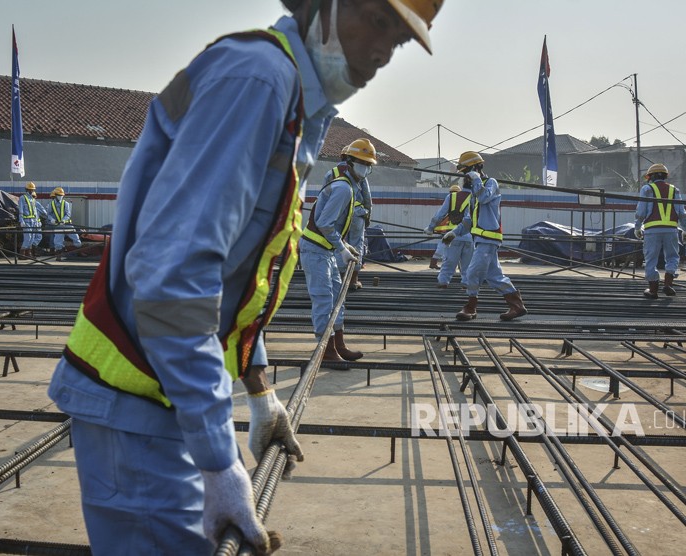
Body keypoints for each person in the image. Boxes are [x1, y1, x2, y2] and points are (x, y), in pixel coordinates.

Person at [46, 1, 443, 554]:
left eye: (398, 41)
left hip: (164, 395)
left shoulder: (296, 106)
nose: (382, 52)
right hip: (136, 398)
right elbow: (176, 274)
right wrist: (217, 457)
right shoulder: (258, 81)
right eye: (378, 21)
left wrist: (258, 390)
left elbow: (242, 272)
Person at [301, 138, 377, 363]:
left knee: (337, 299)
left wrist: (345, 245)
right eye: (362, 163)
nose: (366, 168)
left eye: (368, 164)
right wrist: (342, 247)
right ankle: (325, 350)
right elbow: (324, 223)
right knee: (324, 299)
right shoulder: (343, 188)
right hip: (315, 251)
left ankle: (339, 344)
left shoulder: (349, 186)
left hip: (325, 251)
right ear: (350, 162)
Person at [444, 151, 528, 321]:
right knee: (494, 276)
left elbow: (484, 198)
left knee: (472, 271)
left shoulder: (491, 183)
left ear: (476, 168)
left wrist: (475, 178)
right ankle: (517, 305)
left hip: (489, 239)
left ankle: (470, 307)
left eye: (466, 172)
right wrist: (454, 233)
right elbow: (469, 220)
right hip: (481, 240)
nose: (465, 177)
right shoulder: (473, 193)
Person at [634, 163, 686, 298]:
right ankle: (668, 284)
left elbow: (641, 210)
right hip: (671, 230)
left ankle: (653, 290)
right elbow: (681, 212)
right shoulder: (674, 190)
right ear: (665, 176)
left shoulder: (647, 189)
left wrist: (637, 227)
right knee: (672, 257)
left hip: (652, 230)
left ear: (651, 176)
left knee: (651, 258)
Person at [328, 139, 374, 291]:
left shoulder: (332, 173)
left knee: (338, 244)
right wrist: (367, 218)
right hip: (357, 214)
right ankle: (353, 281)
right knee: (356, 246)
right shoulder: (361, 175)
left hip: (338, 214)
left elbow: (324, 195)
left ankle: (339, 280)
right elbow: (367, 199)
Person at [424, 182, 473, 289]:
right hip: (470, 237)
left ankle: (443, 282)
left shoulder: (451, 197)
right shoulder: (476, 198)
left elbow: (440, 214)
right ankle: (466, 284)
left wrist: (430, 228)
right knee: (467, 265)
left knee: (448, 263)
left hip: (452, 236)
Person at [47, 187, 82, 254]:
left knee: (76, 238)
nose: (60, 197)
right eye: (59, 195)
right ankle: (59, 254)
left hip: (67, 225)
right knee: (57, 241)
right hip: (58, 226)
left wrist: (63, 220)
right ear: (56, 195)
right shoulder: (51, 204)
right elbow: (49, 214)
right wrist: (52, 220)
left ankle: (78, 251)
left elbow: (68, 214)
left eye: (61, 195)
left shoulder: (66, 203)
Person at [18, 182, 46, 258]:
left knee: (32, 237)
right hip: (26, 221)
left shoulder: (33, 200)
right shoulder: (22, 198)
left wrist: (37, 221)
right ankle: (22, 253)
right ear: (26, 189)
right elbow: (20, 210)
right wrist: (21, 220)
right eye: (30, 189)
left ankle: (28, 253)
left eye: (32, 190)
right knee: (28, 237)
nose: (31, 191)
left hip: (33, 221)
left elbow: (35, 211)